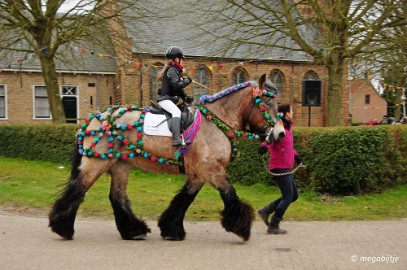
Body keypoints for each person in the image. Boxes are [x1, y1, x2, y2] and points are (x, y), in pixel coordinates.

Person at [257, 103, 302, 234]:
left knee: (293, 195)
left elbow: (287, 147)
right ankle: (273, 224)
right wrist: (264, 147)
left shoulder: (287, 129)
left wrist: (297, 156)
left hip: (285, 166)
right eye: (291, 111)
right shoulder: (279, 127)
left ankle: (266, 210)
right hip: (279, 166)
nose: (292, 113)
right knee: (288, 196)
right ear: (287, 113)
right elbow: (270, 140)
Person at [158, 46, 194, 146]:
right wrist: (187, 81)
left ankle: (183, 136)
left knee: (183, 111)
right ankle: (176, 139)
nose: (182, 62)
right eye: (181, 59)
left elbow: (179, 89)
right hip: (165, 100)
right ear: (176, 58)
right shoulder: (172, 70)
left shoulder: (176, 71)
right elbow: (176, 85)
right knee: (176, 112)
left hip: (170, 100)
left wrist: (186, 97)